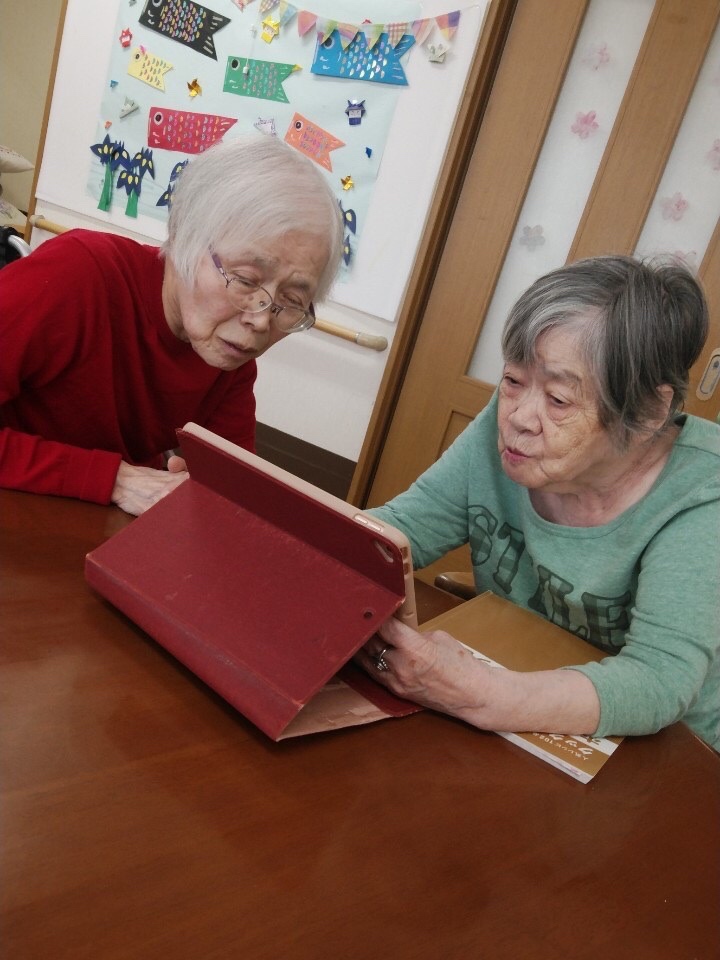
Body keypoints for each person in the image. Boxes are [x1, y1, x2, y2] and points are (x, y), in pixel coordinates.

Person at [359, 255, 720, 749]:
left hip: (666, 752)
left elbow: (659, 680)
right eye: (513, 380)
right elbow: (401, 530)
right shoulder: (511, 423)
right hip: (518, 675)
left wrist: (480, 695)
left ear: (649, 412)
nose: (520, 418)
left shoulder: (702, 493)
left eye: (559, 400)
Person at [0, 135, 343, 515]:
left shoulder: (227, 351)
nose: (261, 320)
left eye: (292, 300)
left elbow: (234, 487)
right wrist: (115, 478)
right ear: (182, 238)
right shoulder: (75, 276)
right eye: (246, 280)